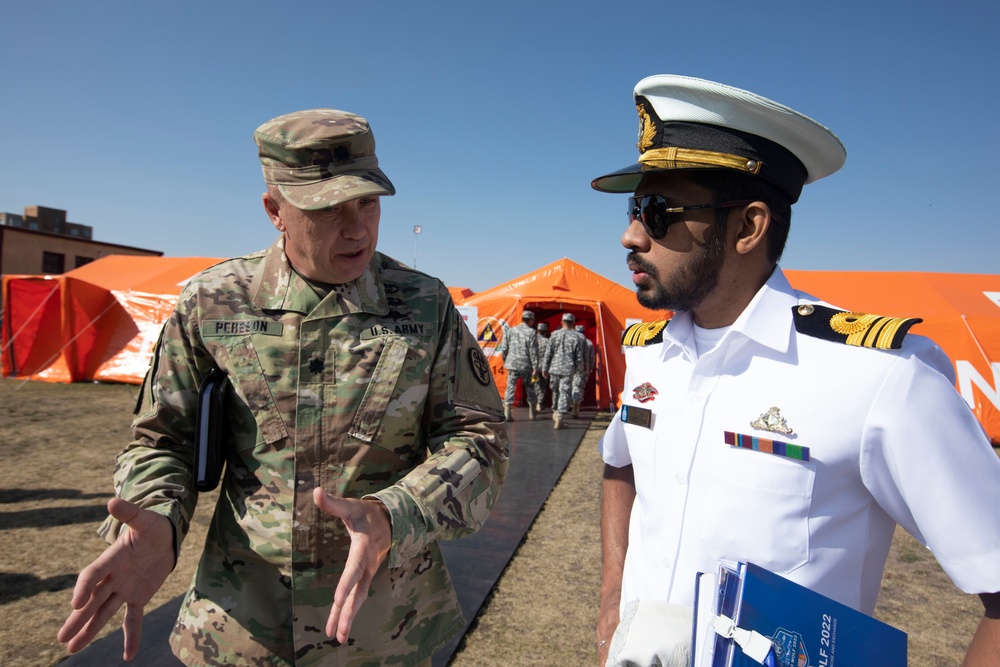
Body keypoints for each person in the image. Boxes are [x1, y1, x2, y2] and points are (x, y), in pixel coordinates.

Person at [58, 108, 510, 666]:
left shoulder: (423, 305)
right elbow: (162, 440)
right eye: (328, 209)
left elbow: (480, 438)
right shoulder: (213, 302)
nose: (357, 228)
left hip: (386, 629)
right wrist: (159, 515)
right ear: (275, 210)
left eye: (368, 202)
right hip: (241, 625)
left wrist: (398, 513)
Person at [591, 75, 1000, 665]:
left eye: (657, 212)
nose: (630, 235)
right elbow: (619, 463)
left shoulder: (878, 375)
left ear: (749, 228)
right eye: (635, 209)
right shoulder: (648, 352)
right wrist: (612, 599)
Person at [542, 312, 582, 429]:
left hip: (554, 368)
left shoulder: (554, 335)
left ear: (561, 322)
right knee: (564, 392)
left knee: (555, 391)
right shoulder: (576, 337)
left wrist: (545, 368)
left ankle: (555, 410)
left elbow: (548, 353)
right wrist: (579, 370)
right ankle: (559, 416)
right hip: (568, 369)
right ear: (573, 324)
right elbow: (578, 356)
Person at [497, 309, 540, 420]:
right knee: (530, 387)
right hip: (526, 364)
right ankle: (532, 412)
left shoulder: (511, 331)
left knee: (510, 387)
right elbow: (533, 351)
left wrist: (506, 360)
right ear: (530, 320)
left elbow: (505, 348)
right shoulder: (531, 332)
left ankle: (507, 412)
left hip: (512, 364)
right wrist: (535, 367)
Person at [571, 324, 596, 418]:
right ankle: (576, 406)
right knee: (578, 388)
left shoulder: (571, 340)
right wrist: (590, 368)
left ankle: (572, 405)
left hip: (570, 368)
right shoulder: (588, 342)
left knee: (570, 387)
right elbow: (592, 358)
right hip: (583, 370)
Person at [534, 321, 550, 412]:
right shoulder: (547, 341)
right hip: (544, 368)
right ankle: (540, 403)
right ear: (545, 331)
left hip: (534, 368)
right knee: (543, 385)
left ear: (538, 330)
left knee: (536, 384)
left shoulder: (533, 340)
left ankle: (536, 403)